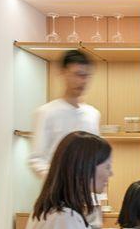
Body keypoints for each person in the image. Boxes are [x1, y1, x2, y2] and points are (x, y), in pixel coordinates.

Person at [27, 50, 101, 178]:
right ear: (63, 73)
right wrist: (59, 181)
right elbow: (37, 159)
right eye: (78, 74)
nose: (83, 81)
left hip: (87, 186)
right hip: (56, 186)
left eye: (87, 76)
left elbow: (97, 156)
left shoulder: (93, 114)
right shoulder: (46, 112)